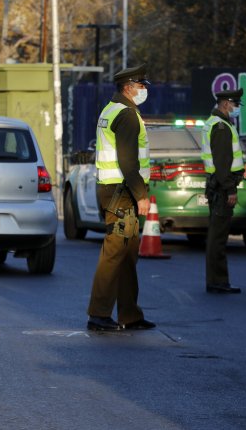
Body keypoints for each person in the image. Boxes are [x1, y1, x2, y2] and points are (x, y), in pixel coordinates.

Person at [86, 64, 157, 332]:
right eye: (142, 86)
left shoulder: (110, 109)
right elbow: (128, 162)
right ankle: (99, 314)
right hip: (122, 193)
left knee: (127, 254)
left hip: (113, 190)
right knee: (115, 253)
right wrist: (141, 195)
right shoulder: (126, 114)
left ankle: (130, 314)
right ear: (129, 88)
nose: (144, 90)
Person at [201, 89, 245, 294]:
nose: (237, 109)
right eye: (235, 105)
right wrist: (230, 189)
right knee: (218, 237)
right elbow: (222, 164)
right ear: (226, 104)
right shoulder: (221, 127)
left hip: (216, 187)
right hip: (221, 188)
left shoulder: (215, 123)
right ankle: (218, 281)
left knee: (216, 235)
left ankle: (216, 280)